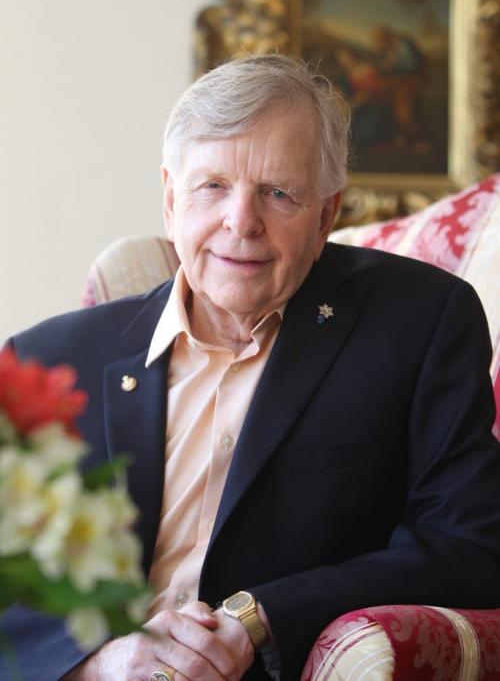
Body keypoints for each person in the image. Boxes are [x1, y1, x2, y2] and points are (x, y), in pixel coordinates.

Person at [2, 54, 500, 681]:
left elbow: (470, 546)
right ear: (170, 199)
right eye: (212, 186)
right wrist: (98, 662)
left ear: (325, 216)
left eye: (278, 192)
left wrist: (260, 618)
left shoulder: (420, 324)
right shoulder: (47, 359)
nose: (241, 221)